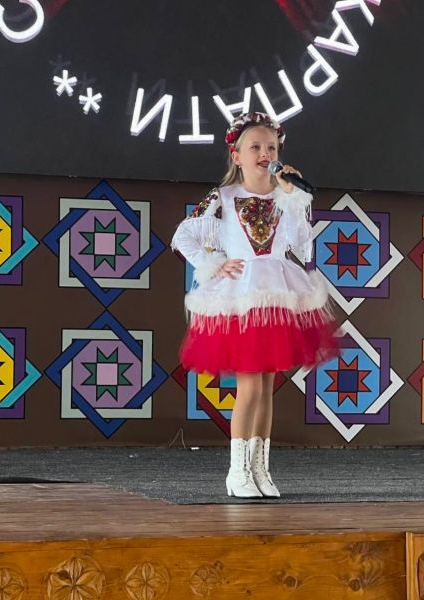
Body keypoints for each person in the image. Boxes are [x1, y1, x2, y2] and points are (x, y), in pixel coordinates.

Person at [171, 112, 338, 498]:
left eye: (272, 148)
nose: (265, 154)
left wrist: (294, 196)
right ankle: (237, 471)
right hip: (242, 297)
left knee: (265, 385)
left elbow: (301, 243)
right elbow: (184, 235)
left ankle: (260, 468)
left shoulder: (286, 196)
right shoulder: (224, 197)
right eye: (256, 147)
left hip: (276, 293)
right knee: (248, 383)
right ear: (237, 156)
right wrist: (214, 263)